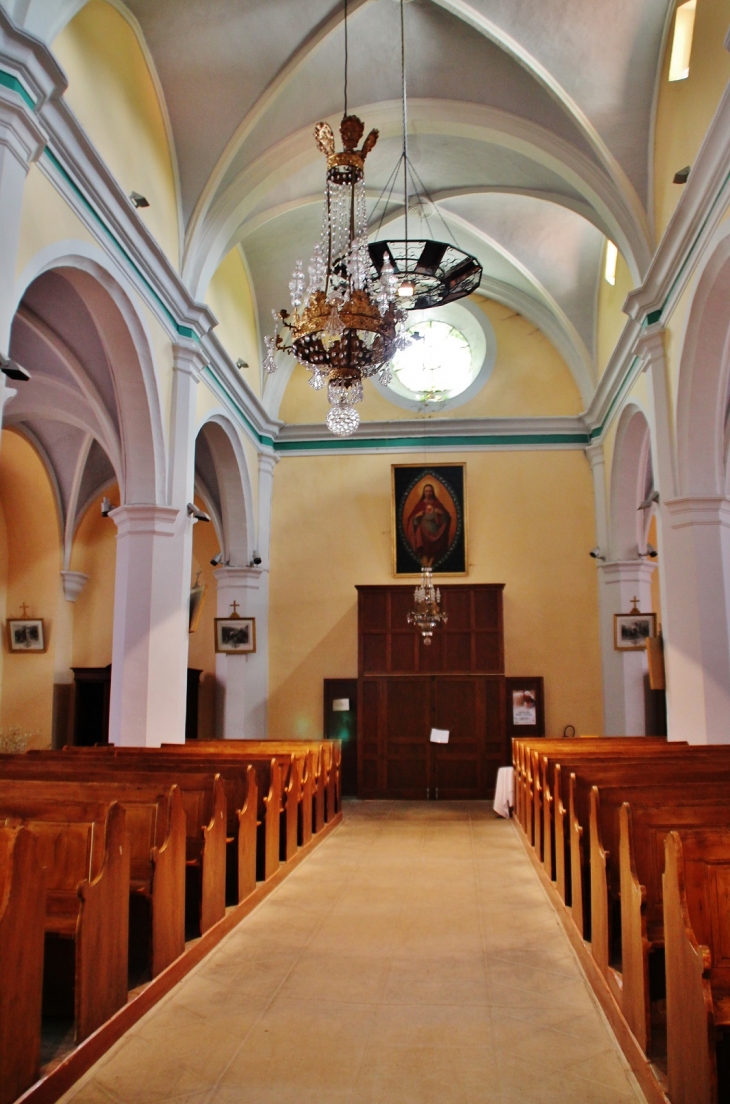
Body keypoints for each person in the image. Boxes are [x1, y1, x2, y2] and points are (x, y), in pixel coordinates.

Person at [405, 482, 452, 564]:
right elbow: (412, 520)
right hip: (423, 531)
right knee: (423, 548)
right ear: (424, 492)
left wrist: (441, 513)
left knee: (434, 555)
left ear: (433, 492)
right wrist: (417, 515)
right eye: (426, 491)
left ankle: (432, 559)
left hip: (435, 530)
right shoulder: (420, 505)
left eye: (430, 491)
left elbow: (447, 517)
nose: (428, 493)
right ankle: (424, 558)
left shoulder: (437, 504)